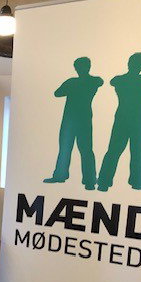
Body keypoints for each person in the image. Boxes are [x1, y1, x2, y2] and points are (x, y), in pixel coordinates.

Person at [98, 52, 141, 193]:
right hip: (137, 122)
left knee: (118, 151)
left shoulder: (121, 79)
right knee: (134, 152)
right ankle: (136, 182)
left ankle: (105, 182)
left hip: (125, 120)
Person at [43, 57, 102, 190]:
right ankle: (89, 180)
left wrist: (72, 87)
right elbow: (57, 93)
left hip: (71, 120)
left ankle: (64, 176)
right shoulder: (92, 81)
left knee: (70, 149)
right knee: (82, 150)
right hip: (81, 119)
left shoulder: (73, 82)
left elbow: (58, 93)